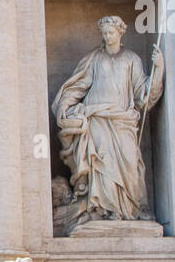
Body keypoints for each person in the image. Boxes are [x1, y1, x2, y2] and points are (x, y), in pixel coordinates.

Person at [52, 15, 163, 223]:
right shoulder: (94, 58)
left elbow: (143, 95)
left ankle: (134, 207)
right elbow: (78, 86)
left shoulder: (132, 59)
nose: (107, 36)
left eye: (111, 32)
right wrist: (65, 104)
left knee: (131, 162)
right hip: (98, 119)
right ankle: (104, 209)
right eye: (104, 33)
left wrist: (158, 69)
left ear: (120, 33)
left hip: (123, 121)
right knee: (102, 164)